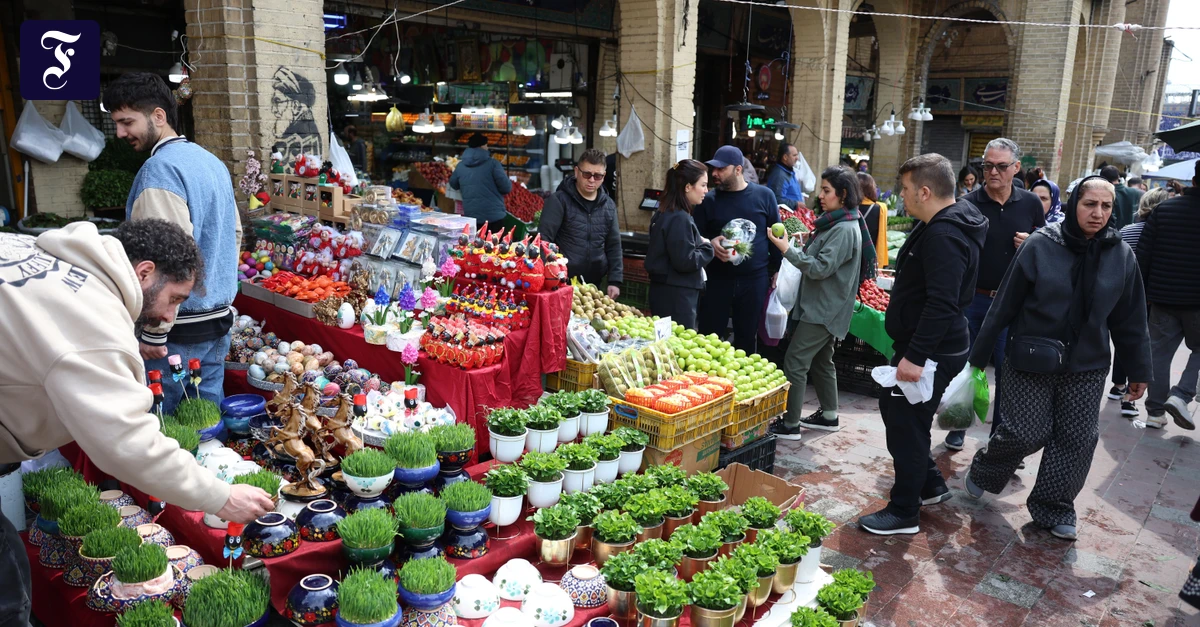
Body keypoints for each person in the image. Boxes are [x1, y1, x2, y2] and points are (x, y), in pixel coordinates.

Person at [0, 220, 277, 626]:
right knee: (9, 597)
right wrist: (221, 497)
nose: (170, 315)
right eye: (174, 298)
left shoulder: (52, 255)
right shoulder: (89, 320)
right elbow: (127, 441)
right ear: (144, 272)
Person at [964, 177, 1151, 541]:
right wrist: (977, 358)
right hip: (1031, 357)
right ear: (1074, 204)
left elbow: (1130, 318)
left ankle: (1055, 506)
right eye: (1089, 204)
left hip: (1088, 364)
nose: (1097, 213)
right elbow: (1004, 305)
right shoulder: (1040, 245)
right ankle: (987, 469)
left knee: (1078, 438)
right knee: (1024, 431)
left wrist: (1139, 371)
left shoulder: (1120, 255)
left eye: (1106, 206)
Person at [858, 154, 986, 535]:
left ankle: (903, 511)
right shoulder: (942, 222)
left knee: (904, 422)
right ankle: (929, 484)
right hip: (933, 345)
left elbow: (942, 302)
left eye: (906, 189)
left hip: (930, 350)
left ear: (925, 191)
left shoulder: (945, 234)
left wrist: (915, 356)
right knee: (903, 416)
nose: (902, 196)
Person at [105, 73, 242, 416]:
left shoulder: (160, 170)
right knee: (205, 421)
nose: (121, 133)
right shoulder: (211, 162)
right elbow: (236, 234)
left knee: (163, 429)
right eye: (117, 124)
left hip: (176, 331)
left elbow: (164, 261)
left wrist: (154, 332)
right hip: (217, 321)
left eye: (126, 122)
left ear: (158, 116)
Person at [943, 138, 1045, 452]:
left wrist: (1031, 242)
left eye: (1001, 166)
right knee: (966, 366)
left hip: (1012, 302)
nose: (993, 172)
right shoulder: (969, 203)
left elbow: (1046, 247)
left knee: (1008, 371)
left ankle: (1001, 437)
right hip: (974, 299)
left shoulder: (1029, 204)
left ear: (1016, 168)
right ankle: (957, 427)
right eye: (988, 166)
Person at [766, 166, 868, 439]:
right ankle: (829, 415)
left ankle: (790, 425)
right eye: (821, 189)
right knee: (823, 362)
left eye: (826, 190)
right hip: (823, 305)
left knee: (795, 362)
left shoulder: (844, 229)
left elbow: (821, 268)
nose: (820, 195)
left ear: (843, 194)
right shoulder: (836, 223)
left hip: (823, 309)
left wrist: (786, 250)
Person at [693, 145, 782, 354]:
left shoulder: (765, 196)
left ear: (738, 170)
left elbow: (775, 235)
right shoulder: (708, 200)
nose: (714, 173)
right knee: (709, 338)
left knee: (747, 337)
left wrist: (778, 268)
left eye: (721, 169)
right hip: (717, 279)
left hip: (754, 280)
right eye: (713, 169)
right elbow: (694, 234)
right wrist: (710, 242)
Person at [1135, 160, 1200, 431]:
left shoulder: (1163, 211)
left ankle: (1155, 412)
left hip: (1161, 298)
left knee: (1158, 354)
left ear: (1194, 180)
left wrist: (1144, 294)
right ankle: (1182, 394)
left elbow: (1143, 256)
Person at [1110, 188, 1171, 418]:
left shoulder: (1127, 230)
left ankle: (1118, 385)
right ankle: (1130, 397)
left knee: (1122, 338)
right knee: (1140, 342)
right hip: (1150, 297)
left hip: (1121, 293)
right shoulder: (1163, 236)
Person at [540, 149, 623, 298]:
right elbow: (544, 240)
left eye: (597, 176)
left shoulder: (608, 205)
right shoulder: (559, 201)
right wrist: (550, 276)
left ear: (604, 176)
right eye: (587, 174)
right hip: (561, 282)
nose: (592, 180)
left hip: (595, 284)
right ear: (576, 172)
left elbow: (614, 244)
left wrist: (615, 280)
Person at [645, 160, 715, 329]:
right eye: (703, 185)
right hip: (677, 297)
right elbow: (686, 261)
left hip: (666, 292)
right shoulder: (679, 217)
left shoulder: (665, 212)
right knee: (677, 345)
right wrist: (707, 247)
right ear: (688, 187)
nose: (706, 190)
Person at [449, 133, 512, 225]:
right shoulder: (493, 164)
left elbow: (453, 184)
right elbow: (506, 188)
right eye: (486, 145)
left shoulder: (460, 166)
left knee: (475, 240)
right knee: (494, 239)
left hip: (472, 217)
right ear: (482, 146)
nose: (487, 147)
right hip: (494, 216)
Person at [857, 172, 887, 264]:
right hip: (869, 256)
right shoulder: (880, 208)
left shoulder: (846, 207)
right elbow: (881, 238)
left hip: (850, 255)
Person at [1101, 164, 1143, 229]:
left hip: (1110, 233)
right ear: (1118, 177)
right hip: (1130, 233)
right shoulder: (1136, 192)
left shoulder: (1104, 194)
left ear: (1102, 178)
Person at [766, 144, 803, 208]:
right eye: (794, 155)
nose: (797, 158)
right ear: (785, 157)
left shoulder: (789, 171)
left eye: (797, 155)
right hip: (785, 215)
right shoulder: (779, 175)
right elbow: (777, 200)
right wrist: (796, 204)